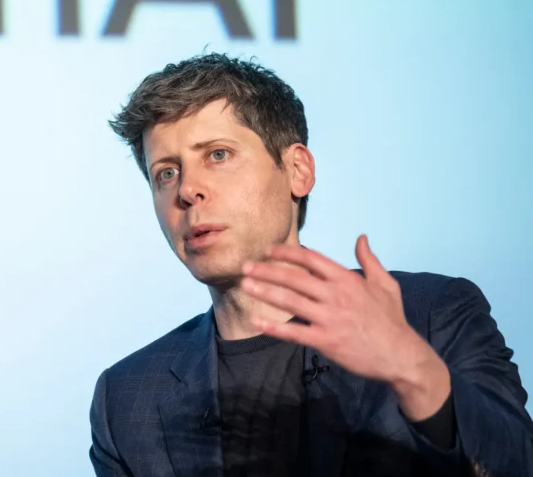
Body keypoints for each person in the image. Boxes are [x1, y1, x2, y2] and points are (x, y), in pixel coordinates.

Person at [88, 53, 532, 477]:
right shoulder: (126, 400)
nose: (187, 190)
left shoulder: (430, 315)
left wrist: (415, 372)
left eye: (218, 155)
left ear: (298, 170)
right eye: (167, 172)